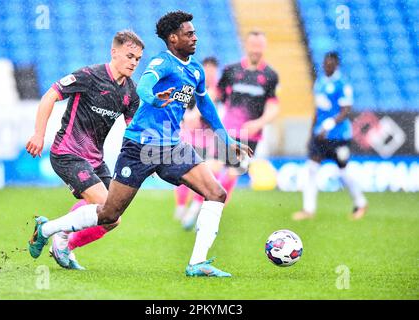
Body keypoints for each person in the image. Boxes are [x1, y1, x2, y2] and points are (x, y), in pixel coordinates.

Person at [27, 10, 253, 277]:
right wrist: (156, 99)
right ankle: (48, 231)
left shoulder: (195, 70)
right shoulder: (161, 63)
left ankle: (197, 263)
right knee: (109, 213)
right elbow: (145, 88)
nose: (195, 37)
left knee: (216, 193)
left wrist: (225, 139)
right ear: (173, 38)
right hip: (140, 149)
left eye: (195, 33)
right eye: (189, 33)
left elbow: (204, 104)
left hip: (171, 146)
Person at [25, 30, 144, 269]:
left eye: (138, 59)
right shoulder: (89, 76)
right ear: (114, 52)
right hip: (67, 153)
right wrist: (39, 134)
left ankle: (64, 242)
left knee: (113, 219)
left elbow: (133, 132)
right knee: (103, 205)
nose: (133, 62)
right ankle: (48, 230)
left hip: (95, 160)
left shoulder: (131, 93)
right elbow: (50, 96)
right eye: (130, 56)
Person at [180, 30, 280, 229]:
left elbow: (273, 105)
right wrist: (196, 115)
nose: (256, 49)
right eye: (253, 45)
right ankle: (197, 207)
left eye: (260, 45)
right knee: (211, 169)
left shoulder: (269, 75)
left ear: (264, 47)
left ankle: (213, 210)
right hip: (226, 132)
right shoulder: (231, 70)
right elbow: (213, 95)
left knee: (232, 174)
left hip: (250, 135)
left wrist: (259, 123)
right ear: (247, 45)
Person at [292, 51, 368, 221]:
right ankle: (308, 210)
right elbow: (317, 111)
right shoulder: (319, 82)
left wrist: (328, 125)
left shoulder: (342, 84)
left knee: (344, 172)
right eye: (325, 64)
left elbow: (346, 111)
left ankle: (361, 203)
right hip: (320, 136)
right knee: (311, 169)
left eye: (330, 64)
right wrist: (310, 132)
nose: (327, 66)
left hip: (339, 136)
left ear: (336, 65)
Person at [174, 56, 223, 228]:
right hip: (189, 139)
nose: (210, 74)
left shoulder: (220, 92)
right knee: (184, 176)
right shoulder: (194, 90)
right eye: (207, 70)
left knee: (208, 175)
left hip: (209, 142)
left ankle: (194, 210)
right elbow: (189, 120)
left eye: (213, 71)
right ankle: (181, 207)